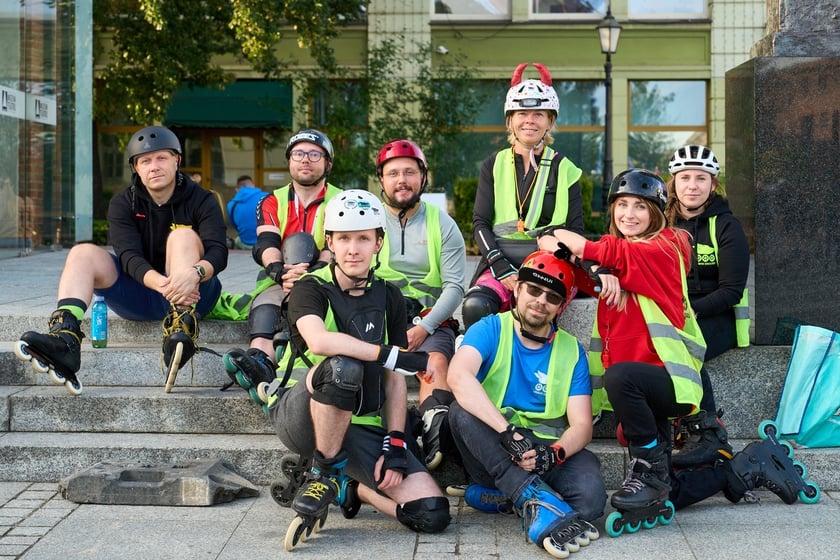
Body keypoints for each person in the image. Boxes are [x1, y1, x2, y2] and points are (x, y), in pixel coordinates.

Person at [547, 169, 792, 530]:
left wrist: (597, 260)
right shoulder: (621, 257)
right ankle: (744, 469)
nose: (629, 214)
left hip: (670, 382)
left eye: (640, 207)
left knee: (622, 383)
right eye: (622, 205)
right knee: (668, 491)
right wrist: (600, 270)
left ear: (657, 215)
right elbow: (547, 242)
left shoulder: (663, 248)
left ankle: (647, 471)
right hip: (641, 394)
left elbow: (572, 242)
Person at [266, 190, 451, 548]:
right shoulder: (310, 287)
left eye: (364, 238)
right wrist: (388, 354)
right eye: (344, 238)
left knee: (432, 513)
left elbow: (394, 378)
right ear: (330, 244)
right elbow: (319, 342)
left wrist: (396, 441)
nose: (354, 248)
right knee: (342, 366)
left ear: (378, 242)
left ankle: (353, 488)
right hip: (302, 416)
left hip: (361, 427)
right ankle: (324, 469)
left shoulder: (390, 295)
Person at [14, 126, 228, 394]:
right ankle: (65, 337)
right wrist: (164, 285)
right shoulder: (123, 203)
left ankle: (181, 328)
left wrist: (194, 273)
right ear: (136, 168)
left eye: (161, 158)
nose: (154, 167)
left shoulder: (203, 199)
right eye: (145, 161)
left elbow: (218, 253)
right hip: (142, 294)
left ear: (177, 160)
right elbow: (129, 258)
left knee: (183, 236)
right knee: (83, 252)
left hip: (194, 294)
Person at [446, 251, 605, 556]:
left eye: (552, 297)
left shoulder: (572, 350)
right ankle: (530, 495)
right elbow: (458, 375)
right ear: (517, 289)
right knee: (460, 411)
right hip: (496, 448)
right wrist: (507, 433)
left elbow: (583, 426)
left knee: (592, 502)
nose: (540, 301)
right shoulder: (490, 328)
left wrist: (554, 454)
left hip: (545, 451)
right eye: (533, 290)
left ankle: (506, 498)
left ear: (561, 306)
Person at [222, 129, 342, 407]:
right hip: (282, 279)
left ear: (328, 163)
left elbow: (335, 244)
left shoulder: (340, 199)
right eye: (298, 154)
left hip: (327, 278)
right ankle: (258, 362)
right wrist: (280, 272)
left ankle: (279, 368)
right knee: (265, 305)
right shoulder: (271, 200)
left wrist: (311, 275)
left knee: (309, 302)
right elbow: (266, 243)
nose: (305, 160)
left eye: (315, 154)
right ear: (289, 161)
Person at [462, 62, 585, 330]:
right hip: (499, 261)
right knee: (476, 307)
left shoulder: (567, 170)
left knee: (534, 311)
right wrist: (500, 266)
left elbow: (576, 231)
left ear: (550, 121)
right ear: (510, 120)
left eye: (539, 114)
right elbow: (480, 223)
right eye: (522, 113)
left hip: (550, 263)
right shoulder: (492, 165)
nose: (530, 120)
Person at [373, 139, 466, 470]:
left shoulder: (442, 223)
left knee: (437, 362)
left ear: (423, 177)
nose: (402, 180)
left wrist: (423, 327)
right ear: (381, 179)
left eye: (410, 172)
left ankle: (433, 434)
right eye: (393, 172)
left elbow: (456, 286)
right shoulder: (368, 219)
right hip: (377, 317)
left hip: (429, 318)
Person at [664, 145, 750, 468]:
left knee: (687, 346)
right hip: (673, 315)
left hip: (718, 318)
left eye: (701, 178)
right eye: (685, 177)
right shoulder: (662, 224)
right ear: (673, 183)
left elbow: (731, 290)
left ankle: (711, 433)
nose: (692, 185)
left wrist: (689, 312)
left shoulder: (727, 227)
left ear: (713, 185)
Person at [226, 175, 266, 250]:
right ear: (253, 185)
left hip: (245, 244)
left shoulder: (231, 205)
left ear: (237, 189)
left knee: (238, 239)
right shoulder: (266, 197)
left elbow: (236, 226)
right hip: (266, 243)